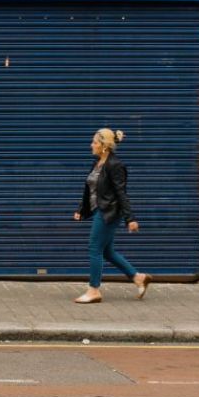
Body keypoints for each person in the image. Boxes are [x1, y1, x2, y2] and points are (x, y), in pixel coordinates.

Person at [73, 127, 150, 303]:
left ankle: (94, 290)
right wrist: (81, 209)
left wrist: (130, 218)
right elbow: (91, 188)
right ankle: (138, 277)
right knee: (107, 251)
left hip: (109, 212)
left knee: (94, 247)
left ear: (104, 146)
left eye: (94, 142)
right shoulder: (98, 162)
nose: (91, 145)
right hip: (100, 210)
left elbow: (121, 193)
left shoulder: (115, 165)